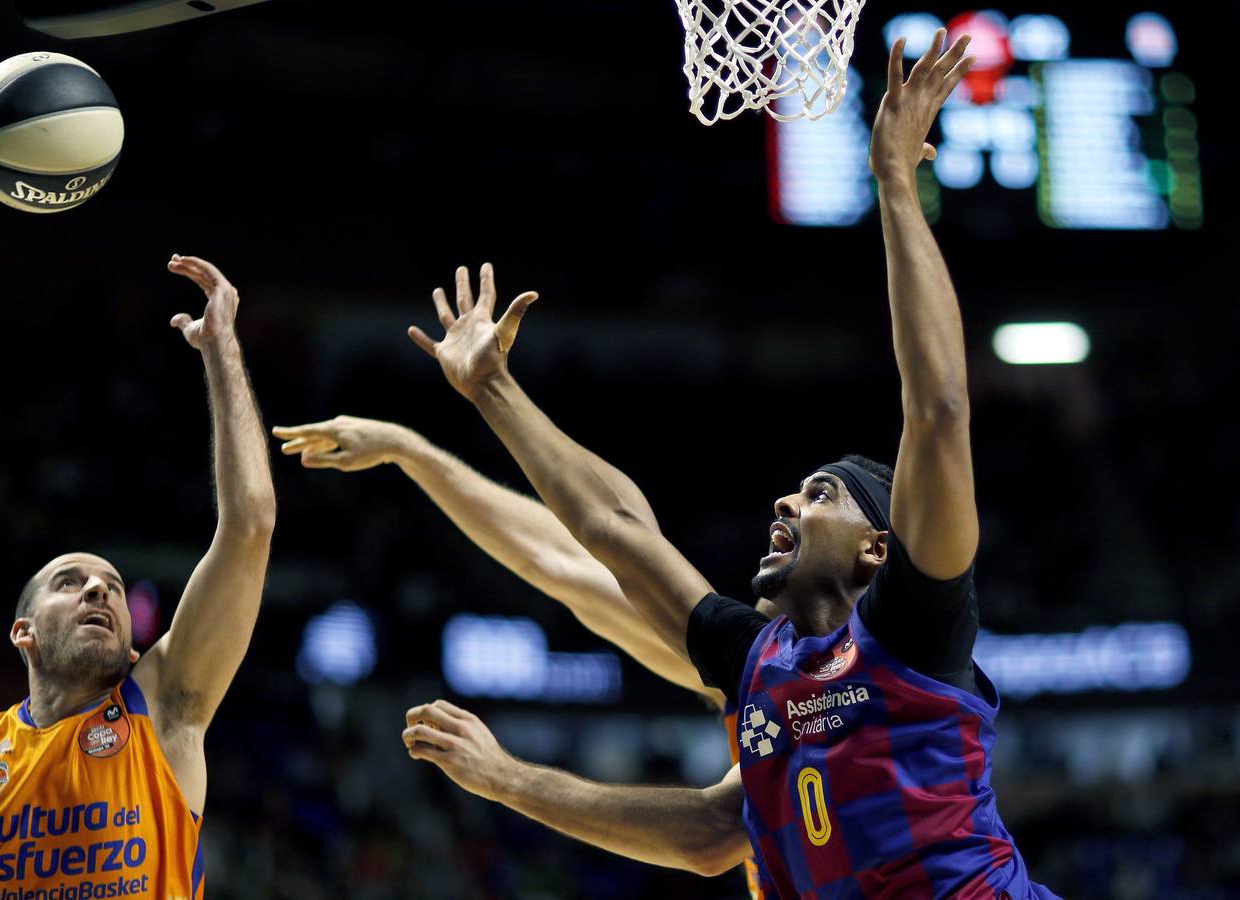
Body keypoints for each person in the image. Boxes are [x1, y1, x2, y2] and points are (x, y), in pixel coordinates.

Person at [403, 30, 1058, 899]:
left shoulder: (915, 629)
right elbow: (614, 530)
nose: (786, 501)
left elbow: (936, 413)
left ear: (877, 549)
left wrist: (896, 181)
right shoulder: (754, 662)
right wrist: (491, 392)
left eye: (820, 494)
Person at [269, 416, 773, 895]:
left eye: (819, 495)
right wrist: (414, 453)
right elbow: (562, 559)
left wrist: (506, 778)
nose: (785, 510)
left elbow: (711, 833)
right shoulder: (756, 677)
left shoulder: (840, 693)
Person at [0, 255, 277, 899]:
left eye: (113, 588)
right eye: (70, 582)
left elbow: (250, 525)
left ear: (131, 647)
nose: (98, 589)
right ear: (24, 633)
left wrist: (221, 350)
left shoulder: (165, 707)